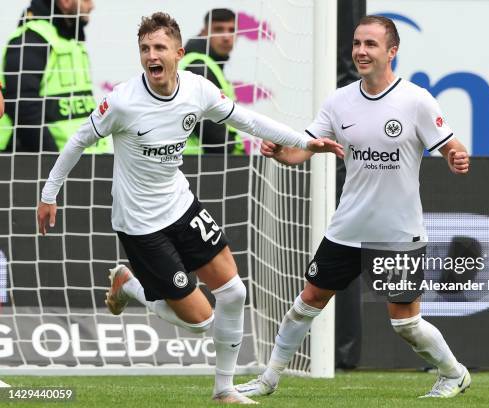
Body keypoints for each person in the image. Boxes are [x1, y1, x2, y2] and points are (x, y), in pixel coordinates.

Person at [36, 12, 343, 404]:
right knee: (202, 323)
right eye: (145, 49)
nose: (151, 55)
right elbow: (78, 140)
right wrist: (49, 194)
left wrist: (307, 142)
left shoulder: (198, 90)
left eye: (159, 47)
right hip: (139, 222)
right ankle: (129, 285)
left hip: (180, 203)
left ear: (178, 52)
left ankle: (224, 389)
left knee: (234, 292)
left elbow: (249, 121)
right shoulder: (123, 102)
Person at [235, 15, 471, 399]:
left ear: (392, 51)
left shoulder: (416, 101)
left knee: (405, 325)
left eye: (371, 44)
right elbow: (304, 150)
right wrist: (281, 152)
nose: (361, 51)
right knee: (307, 301)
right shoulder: (339, 101)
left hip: (398, 232)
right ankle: (269, 378)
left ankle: (453, 373)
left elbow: (451, 145)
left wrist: (457, 157)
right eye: (357, 43)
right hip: (347, 228)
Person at [0, 0, 108, 153]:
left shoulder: (70, 40)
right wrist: (53, 161)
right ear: (65, 1)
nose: (92, 6)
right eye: (86, 0)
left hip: (82, 163)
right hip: (44, 168)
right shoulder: (30, 40)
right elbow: (23, 107)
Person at [180, 8, 243, 155]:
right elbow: (213, 136)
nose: (226, 36)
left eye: (231, 30)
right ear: (204, 33)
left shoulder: (208, 65)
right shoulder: (198, 66)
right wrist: (237, 157)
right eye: (219, 29)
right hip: (193, 164)